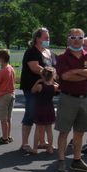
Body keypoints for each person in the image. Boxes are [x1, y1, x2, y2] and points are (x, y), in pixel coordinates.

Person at [54, 28, 87, 172]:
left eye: (80, 38)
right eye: (73, 37)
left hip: (85, 99)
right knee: (64, 131)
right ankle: (61, 161)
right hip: (68, 98)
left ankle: (77, 160)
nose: (76, 40)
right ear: (69, 39)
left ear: (83, 39)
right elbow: (66, 77)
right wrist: (86, 74)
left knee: (80, 132)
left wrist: (76, 71)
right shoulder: (63, 57)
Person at [19, 27, 53, 155]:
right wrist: (51, 75)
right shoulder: (31, 52)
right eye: (45, 37)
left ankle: (42, 141)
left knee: (43, 115)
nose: (48, 39)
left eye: (48, 37)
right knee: (31, 113)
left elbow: (54, 66)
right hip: (32, 88)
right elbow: (35, 68)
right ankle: (25, 143)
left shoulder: (49, 52)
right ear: (38, 38)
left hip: (45, 88)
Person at [31, 67, 58, 153]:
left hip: (40, 108)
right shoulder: (54, 87)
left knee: (38, 129)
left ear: (42, 76)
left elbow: (32, 91)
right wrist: (53, 81)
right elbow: (60, 87)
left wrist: (38, 81)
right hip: (49, 108)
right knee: (49, 130)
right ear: (52, 76)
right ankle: (50, 148)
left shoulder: (39, 86)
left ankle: (35, 148)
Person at [0, 49, 16, 144]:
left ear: (1, 59)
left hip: (3, 96)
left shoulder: (2, 71)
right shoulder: (11, 69)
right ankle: (8, 136)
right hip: (11, 94)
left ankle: (4, 138)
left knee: (3, 118)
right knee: (8, 118)